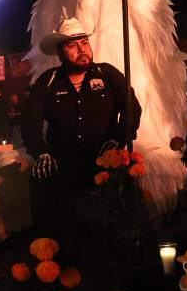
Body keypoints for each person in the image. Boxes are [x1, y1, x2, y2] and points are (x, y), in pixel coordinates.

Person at [21, 17, 141, 260]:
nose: (82, 49)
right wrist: (40, 151)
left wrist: (117, 139)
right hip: (62, 163)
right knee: (46, 195)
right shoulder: (49, 81)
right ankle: (54, 261)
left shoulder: (107, 74)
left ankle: (122, 254)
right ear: (60, 52)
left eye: (84, 42)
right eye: (73, 45)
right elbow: (30, 122)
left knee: (118, 207)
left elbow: (132, 109)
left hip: (102, 161)